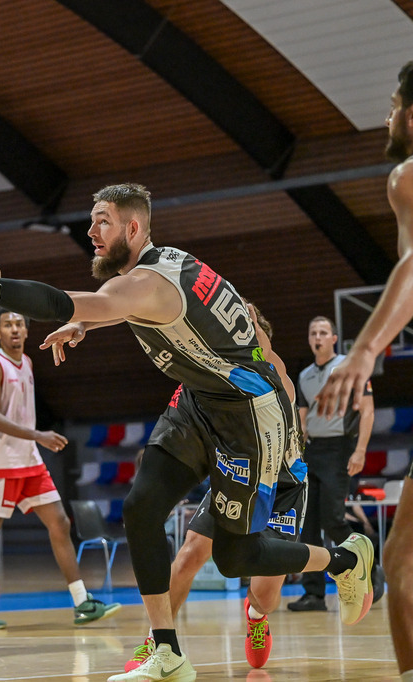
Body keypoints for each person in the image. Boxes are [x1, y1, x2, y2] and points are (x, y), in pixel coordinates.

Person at [0, 182, 375, 682]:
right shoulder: (162, 264)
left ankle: (344, 559)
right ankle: (166, 649)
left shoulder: (144, 283)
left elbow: (63, 300)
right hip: (199, 402)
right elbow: (137, 305)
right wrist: (89, 324)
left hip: (247, 414)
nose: (90, 231)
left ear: (132, 228)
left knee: (235, 556)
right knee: (142, 506)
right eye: (91, 220)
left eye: (102, 221)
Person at [125, 302, 307, 671]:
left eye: (254, 337)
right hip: (239, 476)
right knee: (191, 552)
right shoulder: (220, 378)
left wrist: (253, 321)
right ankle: (159, 640)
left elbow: (265, 351)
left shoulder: (276, 373)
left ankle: (256, 616)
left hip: (283, 486)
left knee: (267, 595)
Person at [315, 60, 413, 682]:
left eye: (395, 103)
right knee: (401, 567)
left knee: (402, 569)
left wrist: (367, 348)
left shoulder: (407, 178)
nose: (387, 117)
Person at [0, 309, 119, 631]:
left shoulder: (27, 363)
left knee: (59, 522)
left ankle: (82, 601)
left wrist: (35, 441)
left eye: (20, 323)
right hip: (1, 462)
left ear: (27, 331)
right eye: (8, 325)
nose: (15, 329)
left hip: (29, 460)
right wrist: (39, 435)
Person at [288, 317, 374, 613]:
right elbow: (302, 415)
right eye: (313, 332)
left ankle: (369, 566)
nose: (318, 337)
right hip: (311, 451)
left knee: (332, 519)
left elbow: (367, 411)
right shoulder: (305, 375)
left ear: (334, 338)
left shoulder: (349, 368)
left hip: (340, 448)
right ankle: (313, 594)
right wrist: (297, 447)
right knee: (308, 525)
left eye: (323, 332)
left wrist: (360, 450)